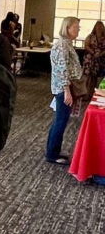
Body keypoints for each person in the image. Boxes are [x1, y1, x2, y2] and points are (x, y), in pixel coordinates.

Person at [46, 17, 82, 165]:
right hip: (63, 89)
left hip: (64, 87)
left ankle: (52, 150)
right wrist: (67, 91)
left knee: (59, 121)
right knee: (61, 121)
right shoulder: (62, 46)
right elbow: (62, 70)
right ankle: (52, 154)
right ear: (67, 28)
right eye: (76, 27)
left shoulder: (66, 44)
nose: (78, 29)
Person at [82, 21, 105, 95]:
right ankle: (85, 94)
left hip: (99, 60)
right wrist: (93, 53)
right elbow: (86, 45)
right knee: (88, 77)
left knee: (95, 77)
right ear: (95, 27)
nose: (99, 28)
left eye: (100, 27)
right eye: (97, 27)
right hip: (89, 59)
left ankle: (93, 93)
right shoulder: (90, 36)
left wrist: (100, 54)